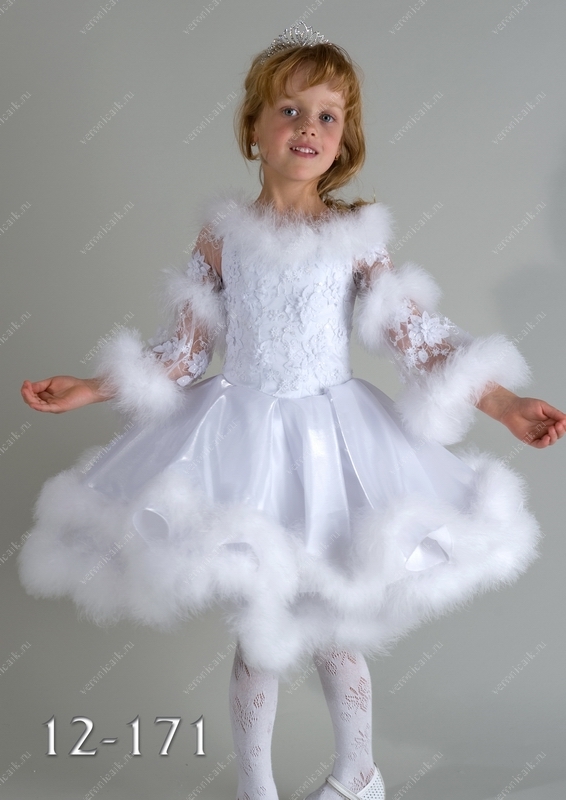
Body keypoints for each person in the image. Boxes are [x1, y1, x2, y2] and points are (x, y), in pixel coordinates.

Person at [19, 22, 565, 800]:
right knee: (260, 634)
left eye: (327, 116)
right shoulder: (221, 237)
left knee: (332, 627)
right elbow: (184, 351)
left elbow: (416, 337)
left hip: (330, 446)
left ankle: (358, 775)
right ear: (254, 128)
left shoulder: (353, 237)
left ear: (344, 142)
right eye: (290, 110)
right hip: (241, 444)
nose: (308, 127)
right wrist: (92, 386)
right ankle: (258, 790)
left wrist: (504, 402)